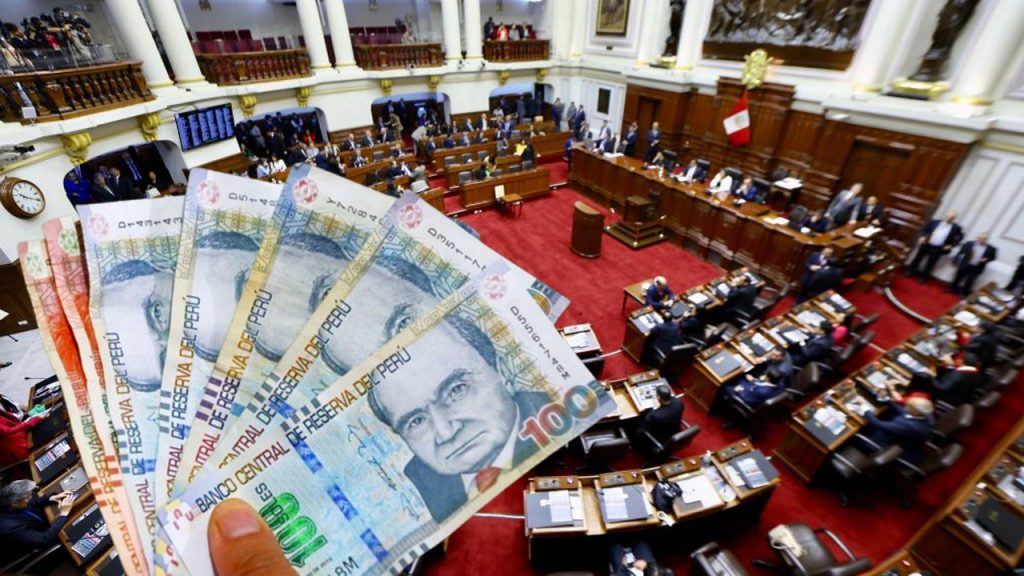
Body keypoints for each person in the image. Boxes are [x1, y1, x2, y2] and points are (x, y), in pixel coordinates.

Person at [0, 480, 74, 555]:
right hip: (43, 543)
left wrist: (51, 498)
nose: (30, 497)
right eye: (27, 497)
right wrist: (63, 514)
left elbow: (33, 502)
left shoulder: (12, 503)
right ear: (14, 503)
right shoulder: (10, 527)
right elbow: (44, 539)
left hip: (45, 524)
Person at [858, 396, 935, 464]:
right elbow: (903, 411)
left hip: (886, 446)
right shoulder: (926, 416)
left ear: (916, 412)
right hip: (900, 436)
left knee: (859, 433)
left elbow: (877, 424)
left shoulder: (910, 427)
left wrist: (863, 406)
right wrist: (885, 399)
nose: (905, 406)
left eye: (909, 406)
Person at [905, 211, 963, 281]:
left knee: (930, 263)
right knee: (917, 258)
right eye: (949, 216)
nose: (949, 218)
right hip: (927, 243)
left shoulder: (956, 228)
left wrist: (951, 245)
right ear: (946, 215)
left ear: (954, 219)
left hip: (938, 248)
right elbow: (924, 230)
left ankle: (923, 277)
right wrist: (922, 236)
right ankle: (910, 271)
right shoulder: (934, 222)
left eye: (952, 217)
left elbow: (960, 237)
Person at [636, 385, 684, 452]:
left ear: (658, 397)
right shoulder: (679, 402)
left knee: (637, 428)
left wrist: (655, 408)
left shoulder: (655, 415)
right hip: (674, 430)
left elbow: (643, 427)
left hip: (660, 437)